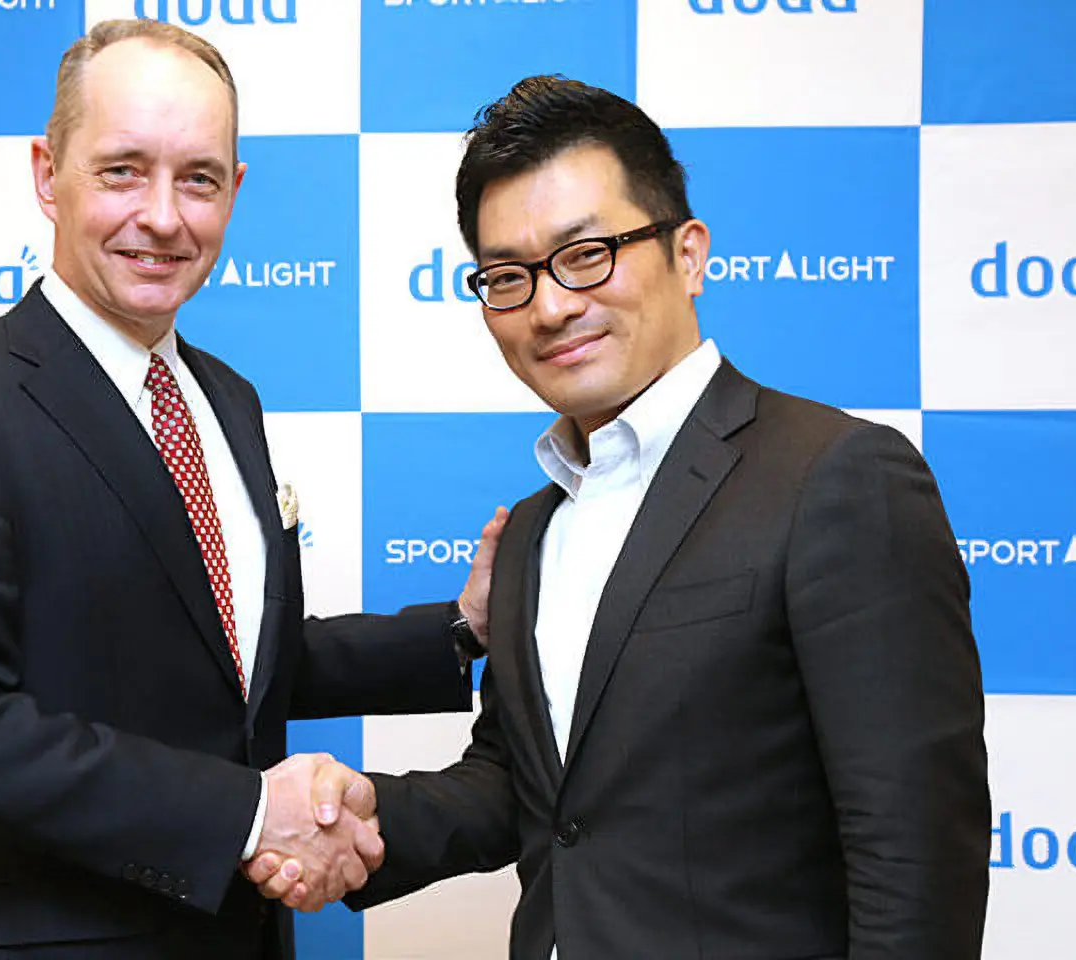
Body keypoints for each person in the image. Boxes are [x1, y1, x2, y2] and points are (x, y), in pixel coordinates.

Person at [249, 76, 991, 959]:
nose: (552, 305)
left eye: (588, 254)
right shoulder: (533, 526)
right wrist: (368, 819)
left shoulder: (837, 478)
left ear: (689, 254)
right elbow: (527, 787)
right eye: (509, 276)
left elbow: (915, 858)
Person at [0, 19, 505, 960]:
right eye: (123, 170)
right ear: (47, 174)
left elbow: (232, 668)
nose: (162, 216)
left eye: (198, 178)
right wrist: (250, 814)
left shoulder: (227, 399)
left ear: (234, 190)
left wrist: (461, 629)